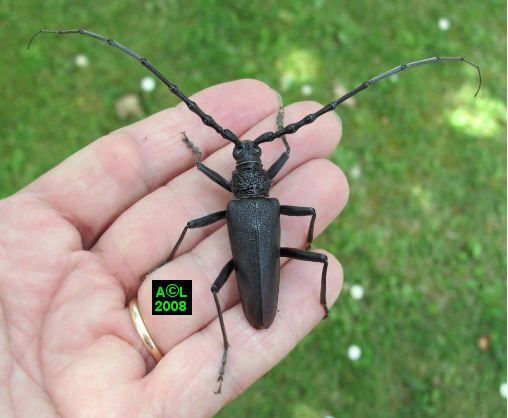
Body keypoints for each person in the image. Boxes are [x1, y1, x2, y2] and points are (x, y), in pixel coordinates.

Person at [0, 79, 347, 416]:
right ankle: (239, 337)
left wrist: (199, 156)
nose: (246, 153)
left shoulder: (236, 207)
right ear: (261, 174)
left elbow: (202, 168)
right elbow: (285, 151)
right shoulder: (267, 202)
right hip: (259, 278)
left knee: (210, 278)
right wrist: (283, 132)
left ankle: (219, 337)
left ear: (242, 172)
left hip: (256, 278)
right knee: (317, 256)